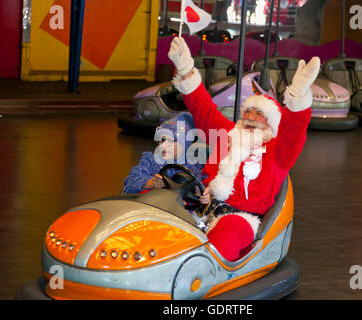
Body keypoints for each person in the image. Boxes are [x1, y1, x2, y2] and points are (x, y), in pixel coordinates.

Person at [168, 37, 320, 261]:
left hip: (241, 217)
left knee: (228, 233)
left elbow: (294, 130)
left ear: (272, 122)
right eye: (248, 111)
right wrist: (186, 69)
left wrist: (297, 96)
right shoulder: (227, 132)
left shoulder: (278, 150)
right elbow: (203, 108)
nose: (250, 117)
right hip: (201, 206)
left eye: (259, 114)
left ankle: (210, 278)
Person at [122, 112, 204, 195]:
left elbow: (201, 188)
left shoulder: (193, 166)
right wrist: (152, 183)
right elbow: (131, 181)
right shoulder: (150, 161)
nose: (163, 145)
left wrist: (198, 192)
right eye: (161, 140)